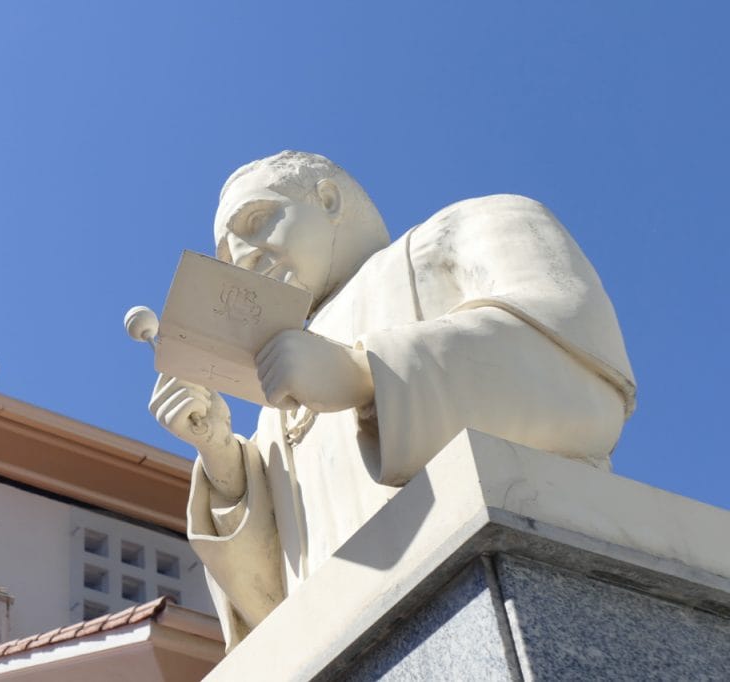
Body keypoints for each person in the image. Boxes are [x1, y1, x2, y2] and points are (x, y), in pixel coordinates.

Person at [148, 151, 635, 649]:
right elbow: (275, 603)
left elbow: (586, 375)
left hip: (508, 589)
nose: (243, 256)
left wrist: (366, 376)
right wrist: (224, 462)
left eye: (255, 220)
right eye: (228, 256)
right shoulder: (276, 403)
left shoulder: (469, 227)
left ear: (329, 199)